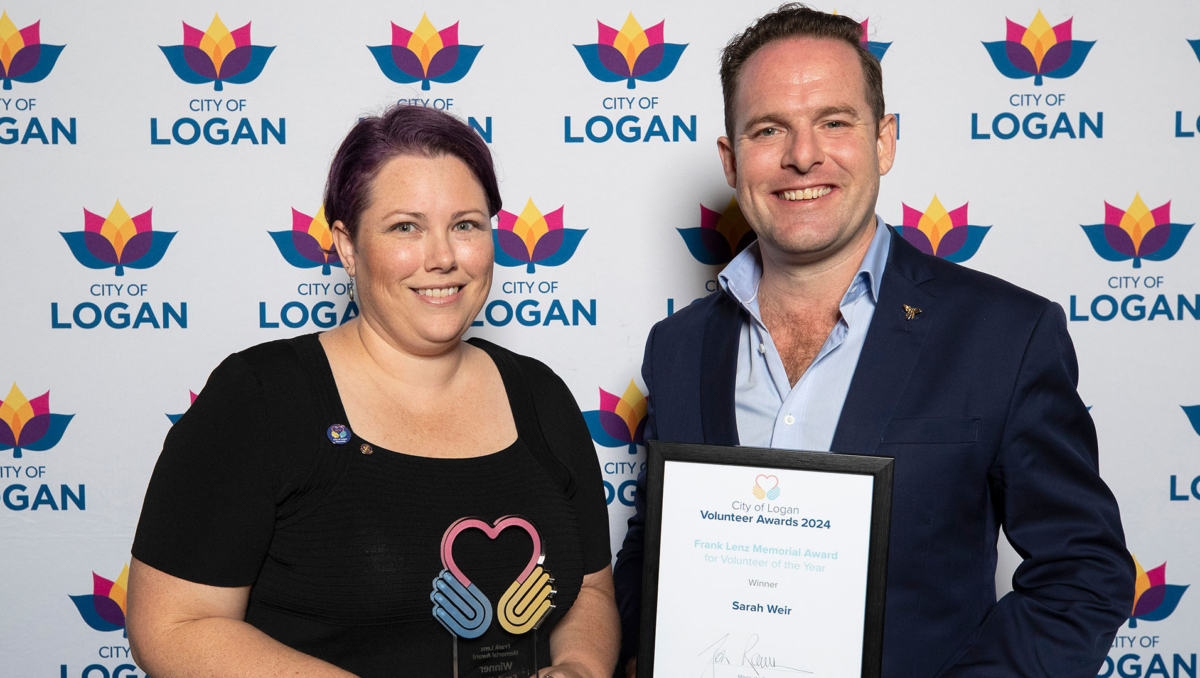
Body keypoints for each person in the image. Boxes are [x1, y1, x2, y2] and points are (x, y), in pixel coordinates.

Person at [613, 5, 1134, 677]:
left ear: (884, 141)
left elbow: (1082, 574)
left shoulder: (1004, 336)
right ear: (732, 158)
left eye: (834, 122)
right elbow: (653, 547)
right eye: (770, 129)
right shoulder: (678, 348)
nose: (804, 156)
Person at [127, 105, 619, 678]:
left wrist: (580, 667)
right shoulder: (260, 396)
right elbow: (173, 626)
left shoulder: (541, 395)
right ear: (347, 245)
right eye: (405, 227)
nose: (443, 258)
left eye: (466, 224)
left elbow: (589, 590)